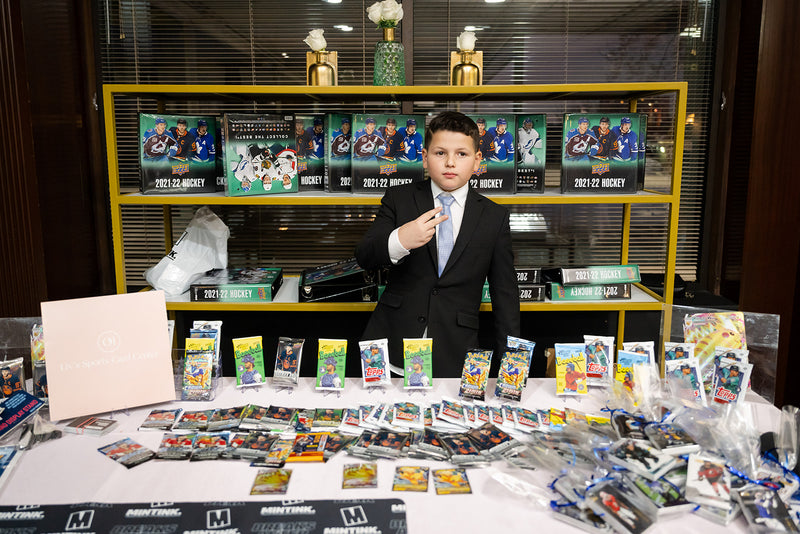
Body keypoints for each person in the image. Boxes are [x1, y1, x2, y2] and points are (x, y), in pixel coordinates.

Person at [355, 111, 520, 376]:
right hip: (392, 347)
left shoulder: (494, 216)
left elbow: (505, 295)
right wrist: (400, 239)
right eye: (440, 153)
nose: (450, 162)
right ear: (424, 157)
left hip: (456, 354)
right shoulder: (399, 198)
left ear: (477, 160)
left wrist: (510, 366)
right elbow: (365, 256)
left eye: (462, 154)